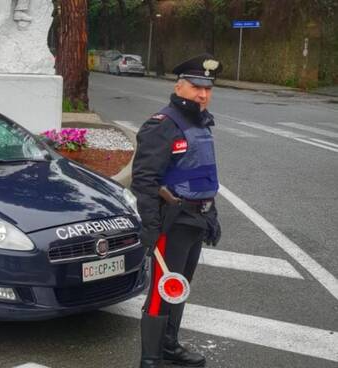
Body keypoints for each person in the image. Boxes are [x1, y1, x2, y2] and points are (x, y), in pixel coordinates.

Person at [131, 54, 223, 368]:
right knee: (161, 288)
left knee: (179, 285)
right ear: (180, 86)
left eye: (208, 89)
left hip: (196, 218)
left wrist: (212, 214)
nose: (203, 94)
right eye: (197, 87)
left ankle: (169, 346)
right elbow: (144, 180)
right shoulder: (163, 124)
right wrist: (151, 226)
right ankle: (151, 358)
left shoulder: (201, 122)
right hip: (172, 221)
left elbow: (202, 174)